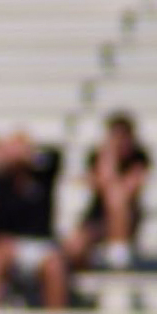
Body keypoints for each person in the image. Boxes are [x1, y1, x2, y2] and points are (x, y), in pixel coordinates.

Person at [0, 133, 69, 309]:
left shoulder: (42, 175)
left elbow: (55, 157)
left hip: (41, 245)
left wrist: (28, 155)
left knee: (55, 267)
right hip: (11, 245)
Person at [63, 111, 152, 270]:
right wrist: (109, 156)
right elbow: (102, 182)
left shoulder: (139, 158)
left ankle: (117, 252)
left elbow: (127, 189)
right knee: (74, 246)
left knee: (116, 197)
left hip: (128, 217)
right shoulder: (97, 156)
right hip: (98, 217)